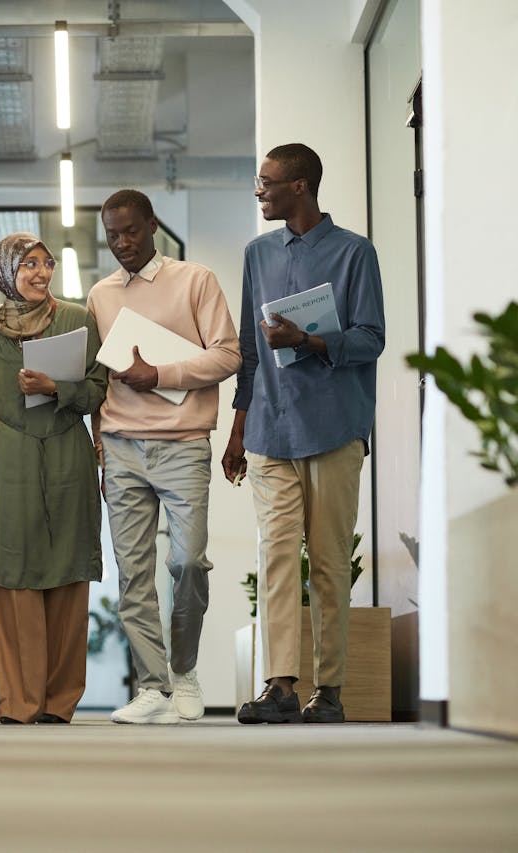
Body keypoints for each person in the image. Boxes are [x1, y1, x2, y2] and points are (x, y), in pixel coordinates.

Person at [225, 143, 385, 725]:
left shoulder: (354, 254)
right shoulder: (256, 254)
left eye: (267, 181)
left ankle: (332, 691)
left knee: (329, 561)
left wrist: (310, 342)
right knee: (275, 558)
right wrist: (237, 428)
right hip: (270, 429)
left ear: (300, 187)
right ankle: (280, 687)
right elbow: (247, 350)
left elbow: (372, 337)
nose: (259, 190)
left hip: (335, 427)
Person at [87, 190, 241, 724]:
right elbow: (95, 380)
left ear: (152, 225)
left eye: (131, 231)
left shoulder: (194, 280)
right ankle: (151, 688)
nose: (122, 243)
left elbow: (228, 354)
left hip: (183, 444)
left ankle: (184, 670)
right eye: (112, 235)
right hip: (122, 446)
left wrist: (161, 374)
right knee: (133, 574)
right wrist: (99, 445)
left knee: (188, 562)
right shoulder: (100, 295)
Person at [0, 232, 107, 725]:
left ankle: (58, 702)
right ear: (5, 271)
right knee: (12, 578)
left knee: (68, 573)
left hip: (66, 451)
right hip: (8, 455)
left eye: (45, 263)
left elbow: (98, 389)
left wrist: (57, 388)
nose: (39, 272)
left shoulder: (76, 319)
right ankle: (18, 701)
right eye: (28, 263)